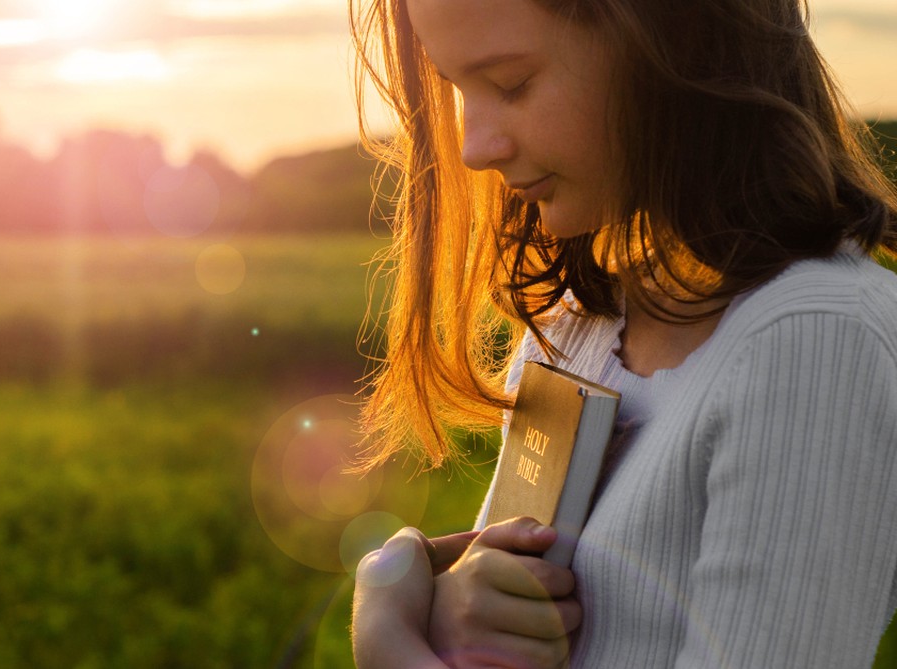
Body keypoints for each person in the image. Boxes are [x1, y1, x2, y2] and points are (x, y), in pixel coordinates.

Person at [346, 0, 897, 666]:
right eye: (459, 89)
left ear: (674, 33)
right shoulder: (578, 328)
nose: (474, 146)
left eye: (511, 83)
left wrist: (390, 645)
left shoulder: (813, 342)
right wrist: (459, 612)